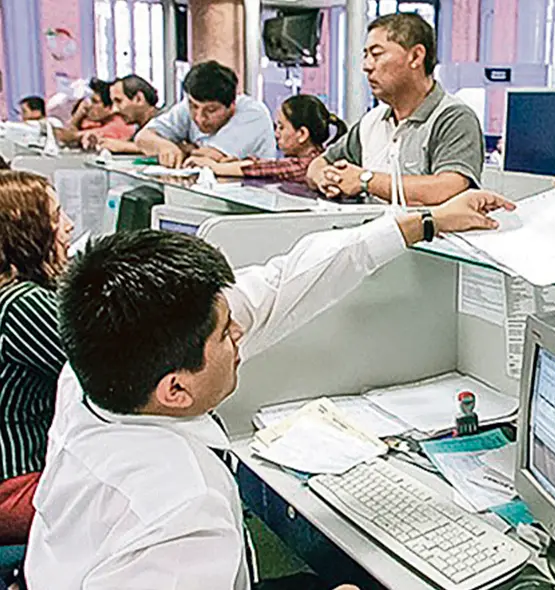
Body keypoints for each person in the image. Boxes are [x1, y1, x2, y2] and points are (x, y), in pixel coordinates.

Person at [24, 188, 515, 588]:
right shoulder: (179, 513)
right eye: (226, 334)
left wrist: (426, 222)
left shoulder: (97, 369)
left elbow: (284, 283)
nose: (241, 331)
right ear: (175, 390)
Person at [306, 13, 484, 206]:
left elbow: (448, 188)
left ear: (416, 56)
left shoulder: (454, 118)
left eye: (376, 54)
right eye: (365, 55)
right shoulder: (372, 121)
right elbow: (318, 164)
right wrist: (325, 178)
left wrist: (365, 180)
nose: (366, 66)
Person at [0, 171, 74, 545]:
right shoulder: (24, 303)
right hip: (15, 485)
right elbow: (107, 371)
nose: (69, 225)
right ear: (28, 233)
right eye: (57, 216)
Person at [137, 60, 277, 168]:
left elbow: (206, 159)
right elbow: (143, 137)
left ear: (232, 105)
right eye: (193, 107)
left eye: (211, 110)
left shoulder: (253, 114)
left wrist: (184, 149)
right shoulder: (190, 104)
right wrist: (165, 146)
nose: (199, 118)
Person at [185, 95, 348, 184]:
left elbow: (265, 169)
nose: (276, 134)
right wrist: (234, 163)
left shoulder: (308, 165)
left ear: (302, 134)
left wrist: (214, 166)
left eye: (281, 127)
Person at [83, 74, 162, 153]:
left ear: (139, 99)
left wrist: (125, 147)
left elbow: (163, 147)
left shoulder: (163, 122)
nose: (115, 110)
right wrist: (101, 141)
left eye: (119, 101)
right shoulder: (142, 128)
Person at [55, 78, 135, 147]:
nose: (89, 105)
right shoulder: (96, 123)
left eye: (95, 102)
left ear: (110, 108)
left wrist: (78, 116)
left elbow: (68, 137)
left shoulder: (119, 125)